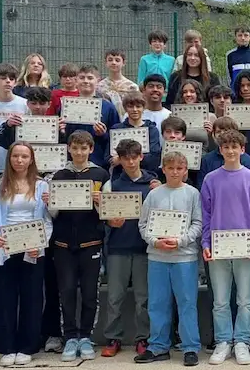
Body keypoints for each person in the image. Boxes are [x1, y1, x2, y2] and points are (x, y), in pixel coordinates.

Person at [201, 130, 250, 365]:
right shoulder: (210, 179)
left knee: (245, 299)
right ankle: (223, 342)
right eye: (226, 147)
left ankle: (242, 341)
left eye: (234, 146)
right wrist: (206, 243)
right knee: (220, 300)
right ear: (220, 150)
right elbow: (206, 215)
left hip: (246, 248)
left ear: (242, 149)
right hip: (218, 248)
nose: (230, 150)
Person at [46, 130, 109, 362]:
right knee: (68, 291)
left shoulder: (101, 173)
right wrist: (51, 202)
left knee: (91, 293)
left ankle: (86, 337)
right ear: (69, 149)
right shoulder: (59, 175)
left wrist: (99, 203)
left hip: (92, 242)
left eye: (84, 148)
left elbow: (107, 213)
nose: (79, 152)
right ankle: (70, 337)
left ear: (91, 149)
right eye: (75, 148)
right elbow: (52, 213)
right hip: (63, 244)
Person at [135, 151, 202, 366]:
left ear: (185, 171)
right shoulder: (154, 195)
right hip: (157, 257)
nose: (175, 172)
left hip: (185, 257)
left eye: (179, 168)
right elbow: (143, 225)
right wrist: (155, 242)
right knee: (157, 303)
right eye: (170, 168)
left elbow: (198, 224)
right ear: (163, 170)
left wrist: (181, 240)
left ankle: (190, 347)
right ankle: (158, 346)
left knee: (187, 303)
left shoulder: (193, 194)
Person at [0, 142, 53, 367]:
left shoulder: (41, 186)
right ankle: (8, 347)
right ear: (9, 159)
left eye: (24, 156)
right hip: (5, 248)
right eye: (15, 156)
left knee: (32, 298)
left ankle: (27, 346)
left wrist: (41, 243)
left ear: (31, 160)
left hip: (32, 249)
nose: (19, 160)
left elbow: (48, 219)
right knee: (6, 298)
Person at [101, 140, 154, 358]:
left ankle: (143, 338)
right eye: (125, 158)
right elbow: (102, 217)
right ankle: (114, 338)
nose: (131, 161)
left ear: (141, 156)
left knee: (144, 298)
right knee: (115, 297)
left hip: (144, 248)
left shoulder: (153, 184)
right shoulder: (111, 184)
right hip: (117, 248)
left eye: (134, 156)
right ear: (119, 160)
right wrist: (109, 222)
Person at [60, 64, 121, 169]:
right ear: (76, 80)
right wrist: (61, 131)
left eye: (90, 78)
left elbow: (116, 138)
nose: (85, 81)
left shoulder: (108, 108)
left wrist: (103, 134)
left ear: (98, 81)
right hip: (70, 163)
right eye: (82, 77)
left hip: (98, 163)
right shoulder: (66, 106)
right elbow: (61, 139)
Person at [105, 92, 161, 180]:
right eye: (130, 107)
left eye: (138, 106)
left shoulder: (151, 129)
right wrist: (116, 160)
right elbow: (108, 157)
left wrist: (123, 160)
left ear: (143, 108)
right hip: (120, 177)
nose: (135, 110)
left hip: (146, 176)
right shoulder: (116, 129)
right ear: (125, 108)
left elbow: (154, 157)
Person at [197, 116, 250, 190]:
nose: (222, 134)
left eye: (226, 130)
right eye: (218, 132)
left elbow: (249, 186)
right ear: (213, 135)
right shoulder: (206, 159)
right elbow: (202, 187)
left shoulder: (245, 159)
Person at [0, 64, 28, 175]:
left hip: (17, 165)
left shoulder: (25, 104)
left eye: (11, 78)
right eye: (3, 78)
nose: (8, 81)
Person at [172, 79, 215, 152]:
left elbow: (216, 147)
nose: (188, 94)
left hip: (204, 157)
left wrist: (210, 134)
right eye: (185, 92)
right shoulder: (173, 116)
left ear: (198, 94)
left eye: (192, 91)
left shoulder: (210, 116)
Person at [96, 49, 139, 117]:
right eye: (110, 60)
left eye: (117, 60)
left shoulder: (132, 87)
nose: (114, 63)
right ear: (105, 63)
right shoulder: (99, 86)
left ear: (124, 63)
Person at [226, 25, 250, 92]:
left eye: (246, 35)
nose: (243, 38)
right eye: (240, 35)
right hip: (236, 93)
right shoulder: (230, 54)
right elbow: (229, 76)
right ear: (235, 37)